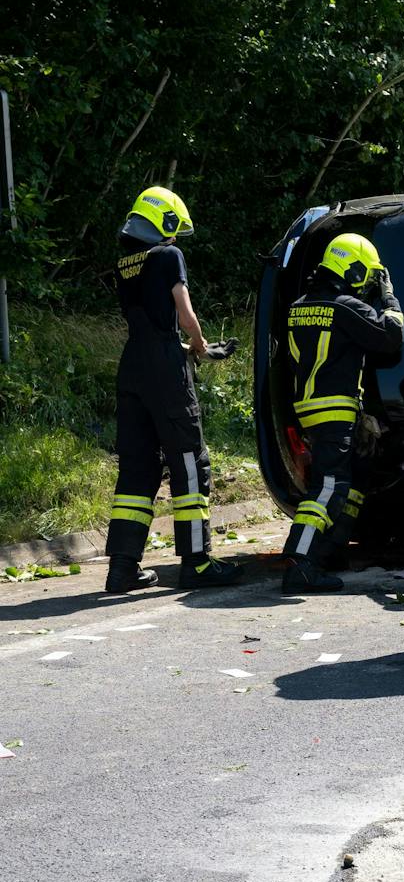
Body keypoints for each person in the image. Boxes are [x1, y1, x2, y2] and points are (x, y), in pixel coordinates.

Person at [105, 187, 243, 593]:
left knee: (137, 469)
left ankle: (123, 568)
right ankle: (197, 563)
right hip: (165, 372)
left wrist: (185, 347)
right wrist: (200, 345)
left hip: (132, 369)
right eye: (173, 230)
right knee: (188, 461)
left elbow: (149, 326)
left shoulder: (123, 264)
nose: (174, 238)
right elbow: (184, 314)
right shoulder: (169, 256)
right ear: (163, 222)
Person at [278, 234, 404, 594]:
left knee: (351, 481)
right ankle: (300, 560)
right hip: (333, 408)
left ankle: (330, 550)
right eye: (367, 275)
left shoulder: (299, 305)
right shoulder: (347, 307)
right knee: (329, 487)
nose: (368, 282)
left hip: (310, 406)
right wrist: (389, 297)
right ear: (353, 267)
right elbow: (391, 336)